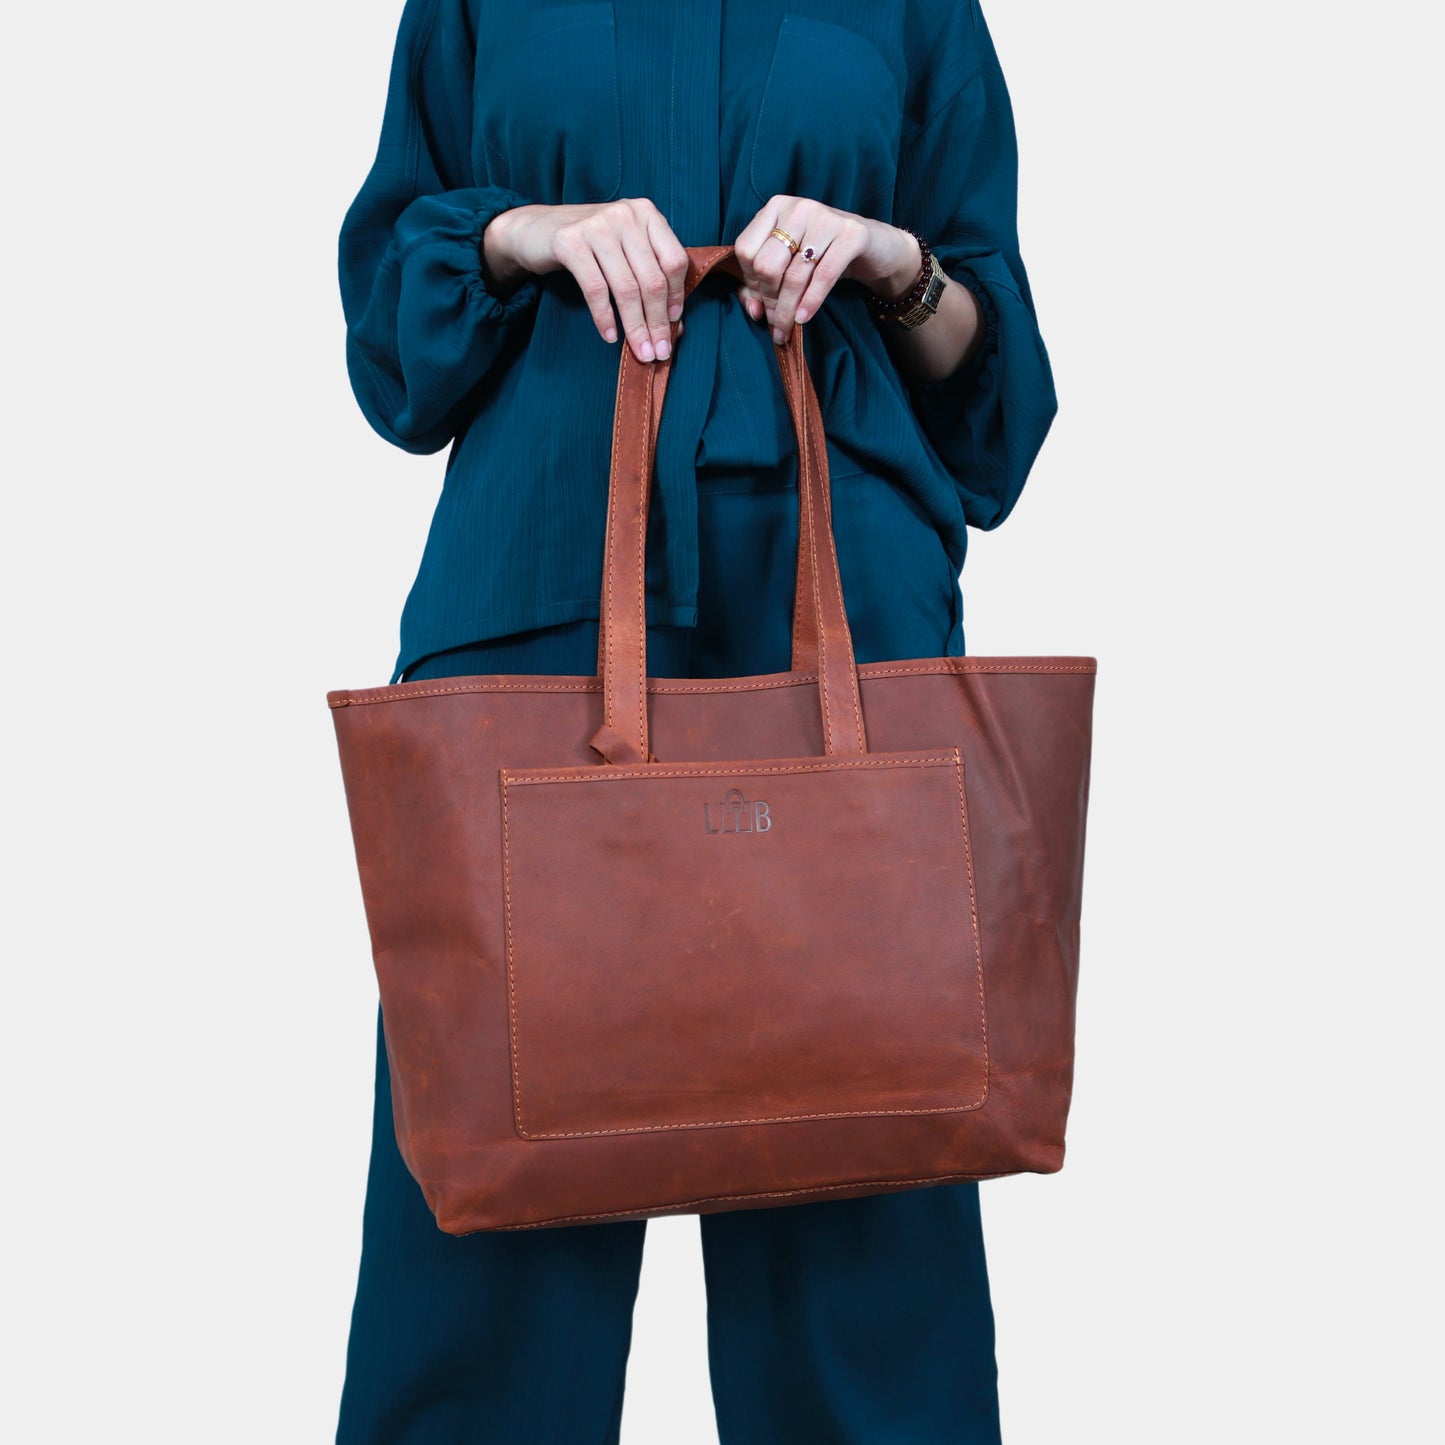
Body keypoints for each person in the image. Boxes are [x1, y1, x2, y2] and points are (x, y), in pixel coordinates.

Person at [335, 2, 1056, 1440]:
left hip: (842, 584)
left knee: (866, 1215)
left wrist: (894, 262)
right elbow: (389, 349)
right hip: (539, 591)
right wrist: (519, 233)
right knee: (493, 1203)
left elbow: (994, 412)